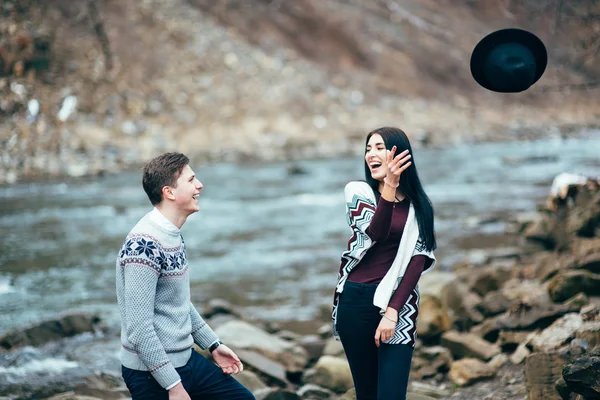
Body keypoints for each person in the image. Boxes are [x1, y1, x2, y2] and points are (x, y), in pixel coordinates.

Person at [116, 152, 255, 400]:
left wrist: (212, 344)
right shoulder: (142, 245)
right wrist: (173, 386)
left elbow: (177, 301)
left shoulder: (172, 234)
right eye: (191, 180)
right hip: (152, 374)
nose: (199, 185)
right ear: (169, 192)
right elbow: (139, 329)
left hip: (186, 360)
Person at [332, 127, 437, 399]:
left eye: (379, 147)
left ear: (399, 155)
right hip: (355, 303)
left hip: (399, 306)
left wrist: (392, 311)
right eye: (368, 149)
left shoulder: (420, 206)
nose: (371, 154)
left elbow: (418, 262)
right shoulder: (358, 191)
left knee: (392, 394)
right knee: (367, 394)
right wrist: (389, 187)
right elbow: (375, 233)